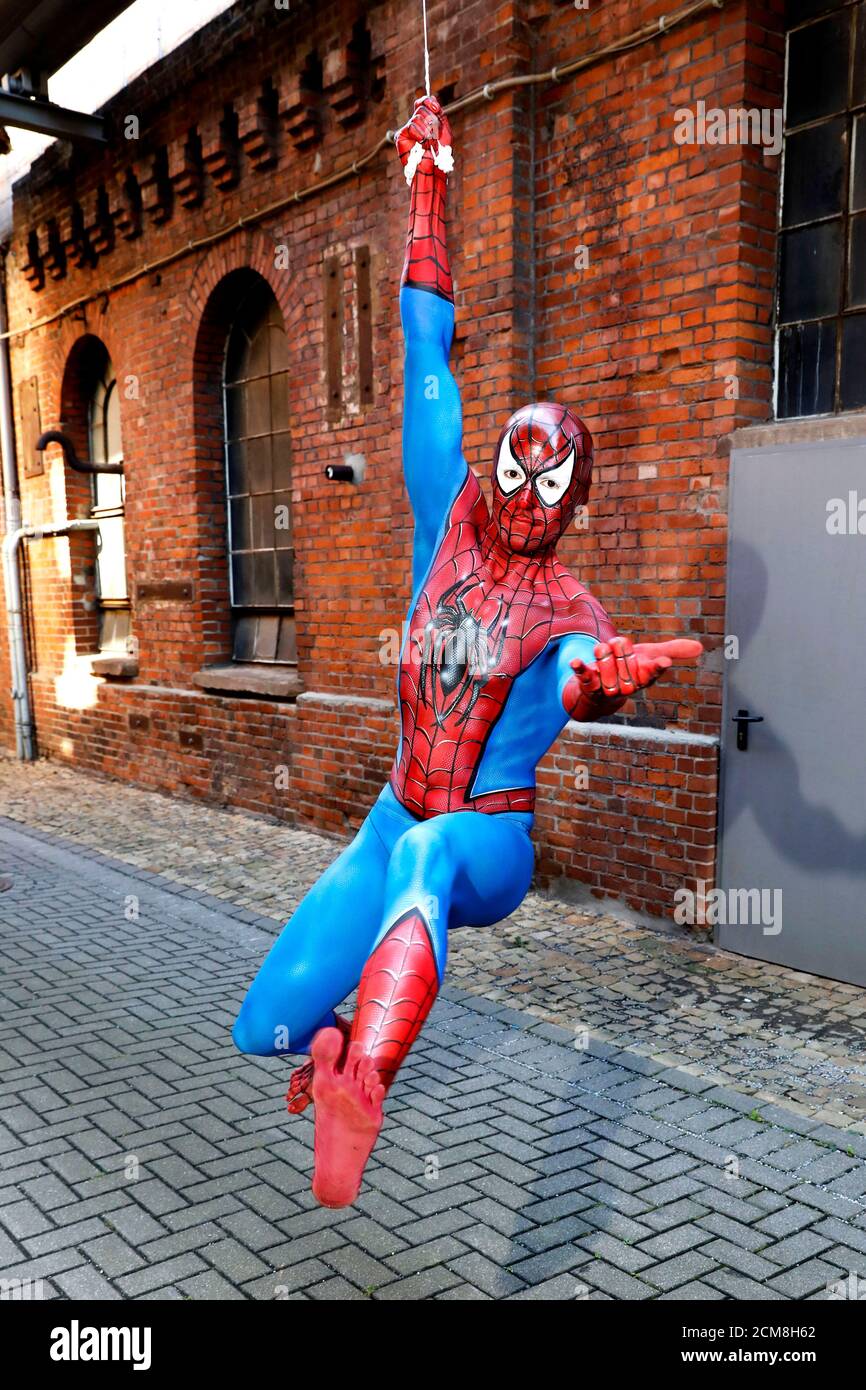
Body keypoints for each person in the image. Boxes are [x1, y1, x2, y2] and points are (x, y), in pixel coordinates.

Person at [232, 95, 703, 1208]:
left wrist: (595, 676)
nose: (526, 494)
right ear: (490, 458)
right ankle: (337, 1041)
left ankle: (367, 1084)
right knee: (267, 1023)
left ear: (574, 502)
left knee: (426, 864)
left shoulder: (565, 598)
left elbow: (579, 663)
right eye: (516, 464)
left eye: (553, 483)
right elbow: (423, 336)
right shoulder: (441, 504)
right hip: (396, 806)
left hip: (486, 844)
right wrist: (429, 181)